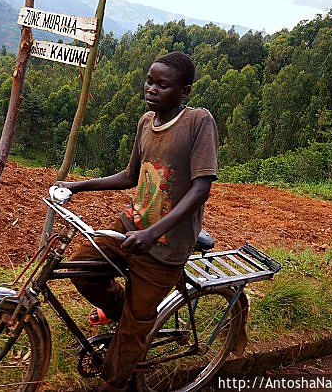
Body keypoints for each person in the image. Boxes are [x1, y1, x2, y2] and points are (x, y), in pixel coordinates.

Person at [56, 51, 219, 391]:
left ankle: (114, 381)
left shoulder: (198, 121)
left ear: (184, 91)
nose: (152, 89)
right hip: (129, 226)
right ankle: (124, 315)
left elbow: (201, 188)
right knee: (81, 269)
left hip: (166, 245)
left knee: (134, 328)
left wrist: (154, 232)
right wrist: (77, 186)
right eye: (149, 81)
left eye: (163, 85)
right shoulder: (146, 122)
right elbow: (131, 175)